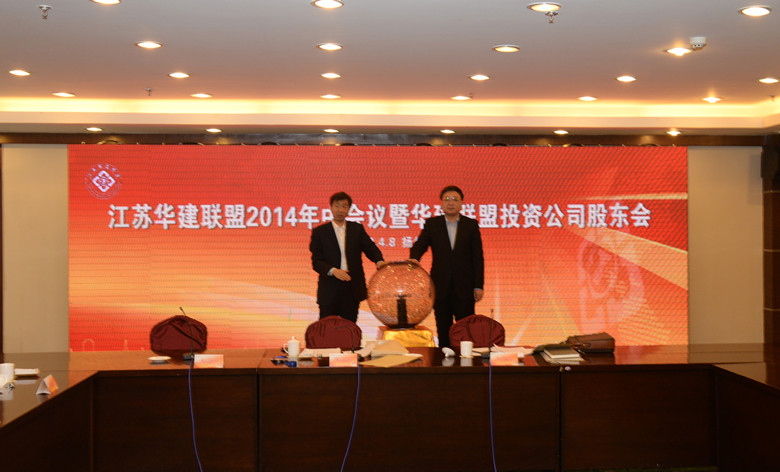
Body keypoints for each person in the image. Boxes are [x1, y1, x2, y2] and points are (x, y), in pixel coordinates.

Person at [410, 185, 484, 347]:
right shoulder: (432, 224)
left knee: (466, 330)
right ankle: (445, 359)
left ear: (461, 203)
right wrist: (414, 258)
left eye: (455, 199)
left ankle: (465, 360)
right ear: (441, 203)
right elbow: (420, 245)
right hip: (440, 286)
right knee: (443, 328)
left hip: (465, 287)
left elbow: (478, 257)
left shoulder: (471, 225)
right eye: (447, 199)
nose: (451, 203)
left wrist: (478, 285)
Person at [310, 191, 386, 323]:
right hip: (329, 287)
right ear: (331, 208)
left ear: (349, 209)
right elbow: (316, 262)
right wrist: (333, 271)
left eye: (344, 206)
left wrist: (379, 261)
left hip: (352, 286)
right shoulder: (320, 232)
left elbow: (370, 248)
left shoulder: (356, 229)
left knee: (350, 327)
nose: (340, 210)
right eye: (337, 206)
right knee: (327, 328)